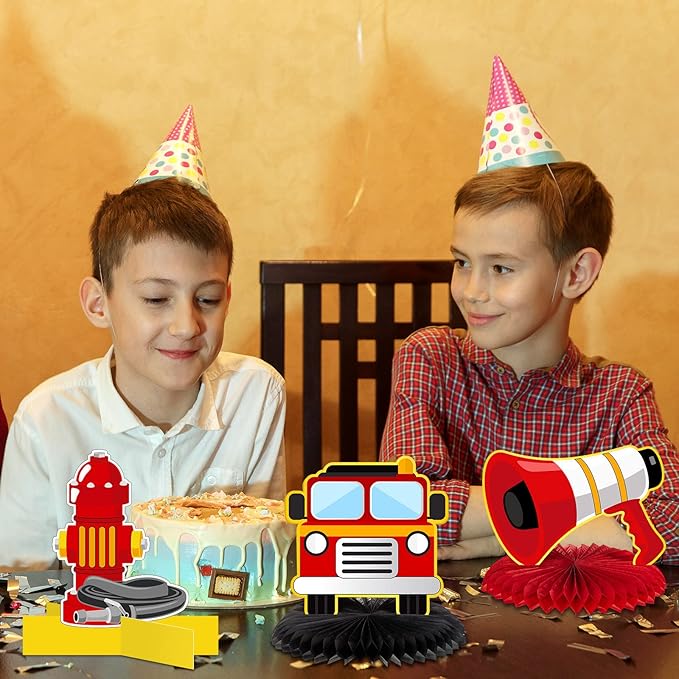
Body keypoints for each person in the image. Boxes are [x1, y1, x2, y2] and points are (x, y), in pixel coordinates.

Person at [380, 57, 679, 564]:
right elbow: (402, 506)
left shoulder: (620, 395)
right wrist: (588, 518)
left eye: (501, 268)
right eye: (462, 262)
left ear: (576, 273)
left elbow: (672, 521)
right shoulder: (428, 357)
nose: (471, 291)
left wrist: (501, 535)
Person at [0, 106, 286, 569]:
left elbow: (261, 556)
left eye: (207, 299)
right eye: (156, 299)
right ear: (99, 303)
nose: (186, 326)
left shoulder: (256, 395)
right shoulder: (46, 419)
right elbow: (21, 585)